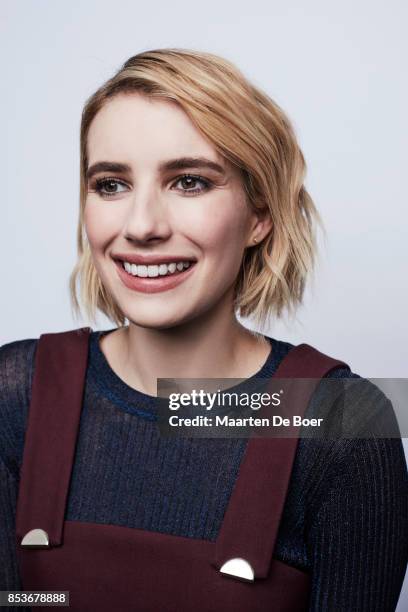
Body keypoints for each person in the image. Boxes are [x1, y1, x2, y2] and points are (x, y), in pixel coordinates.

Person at [1, 48, 407, 611]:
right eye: (111, 184)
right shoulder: (14, 395)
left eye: (189, 182)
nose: (141, 226)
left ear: (260, 214)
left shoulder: (342, 426)